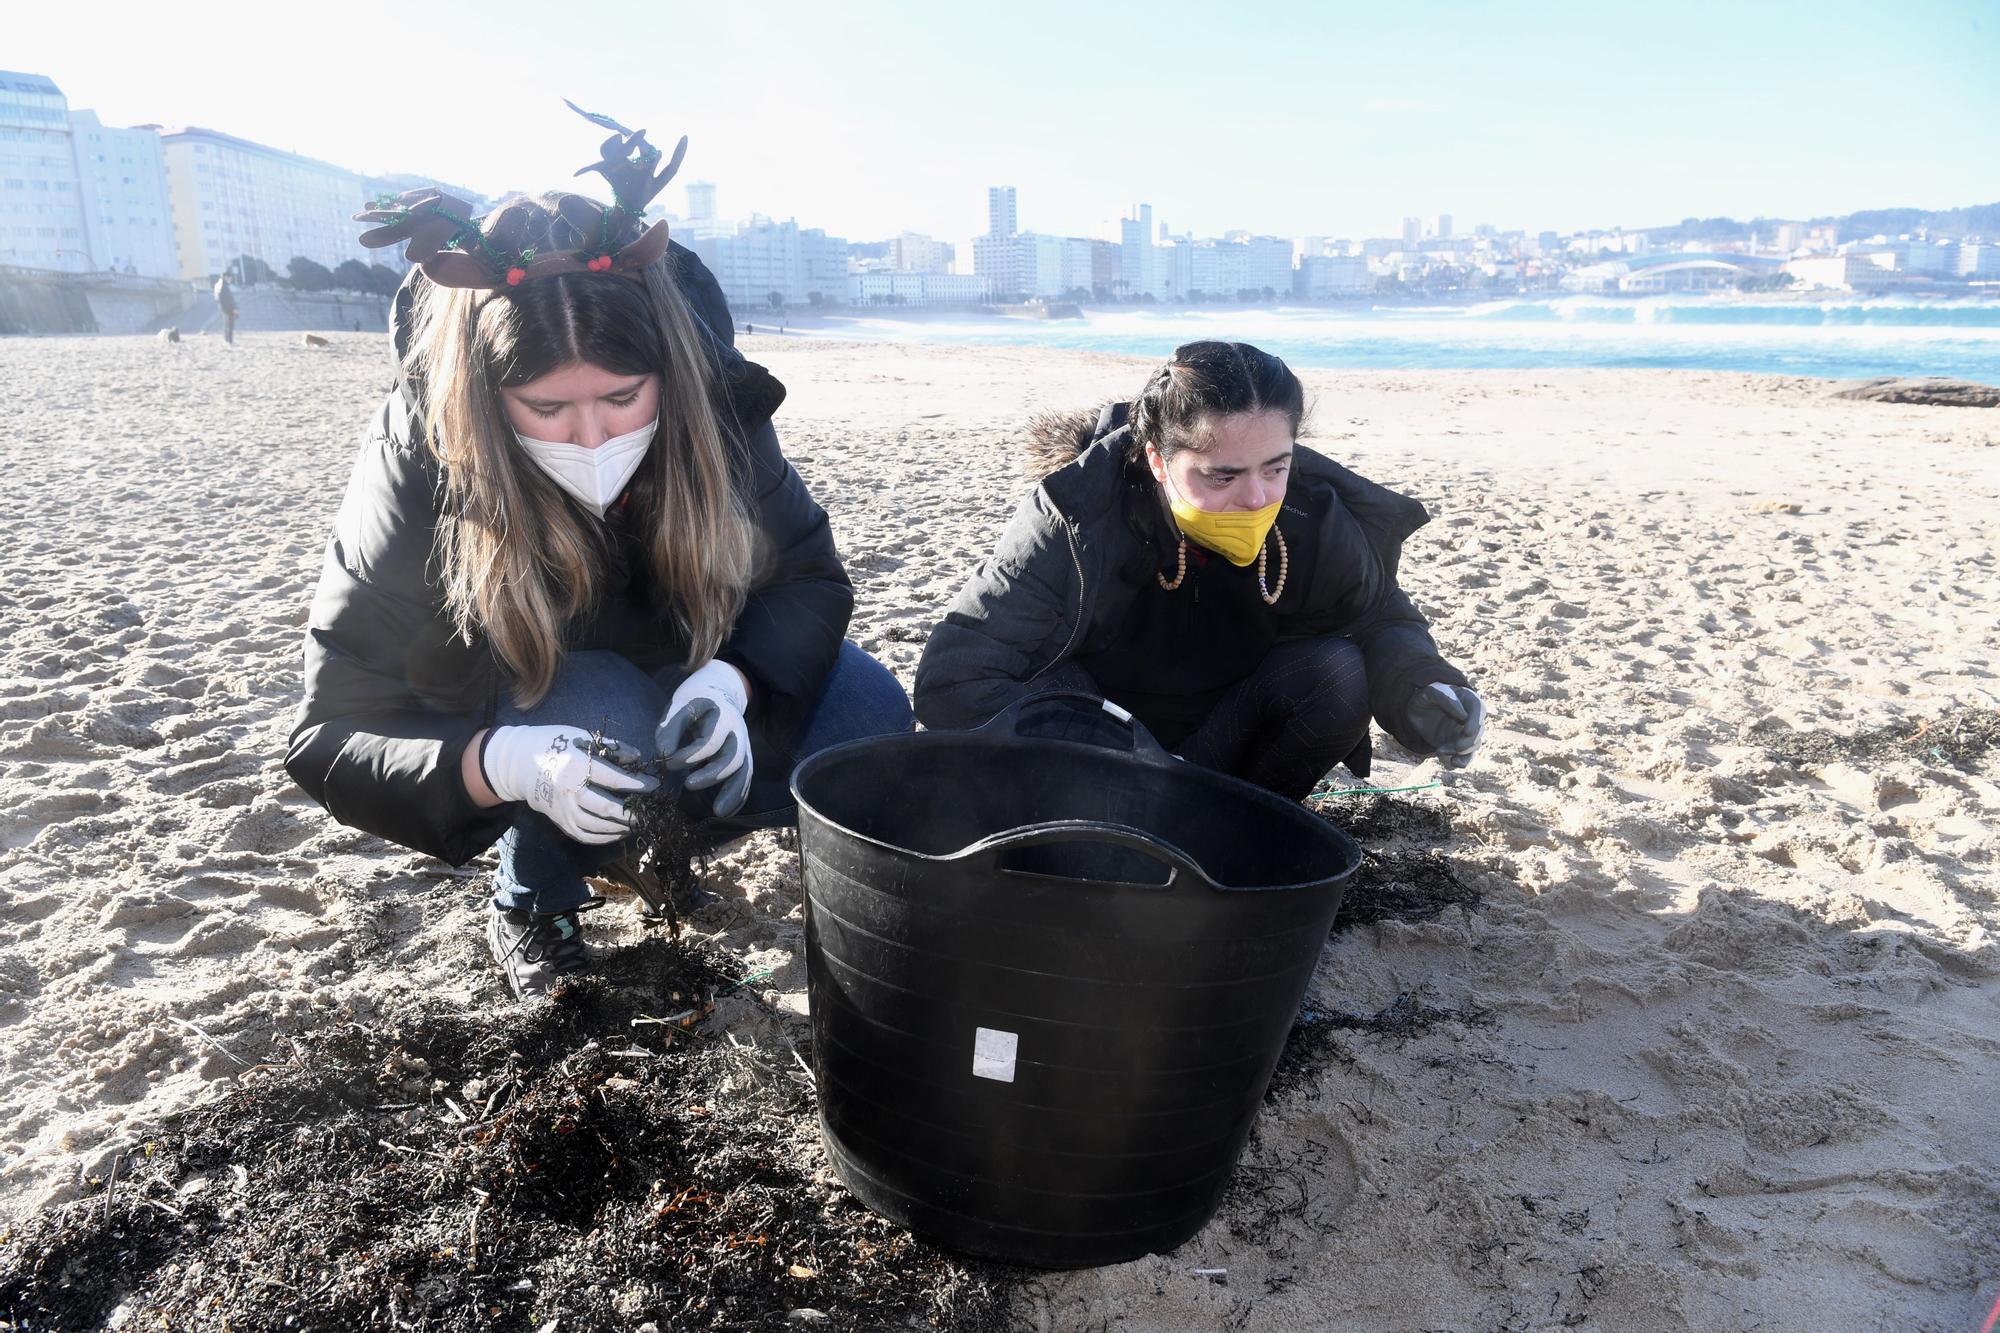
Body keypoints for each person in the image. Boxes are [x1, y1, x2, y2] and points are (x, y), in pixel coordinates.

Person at [287, 107, 911, 998]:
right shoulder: (420, 449)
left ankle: (674, 846)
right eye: (546, 410)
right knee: (605, 723)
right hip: (539, 687)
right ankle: (532, 901)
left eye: (622, 397)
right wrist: (499, 765)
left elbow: (809, 574)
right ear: (486, 395)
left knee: (867, 711)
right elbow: (332, 728)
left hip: (695, 659)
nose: (591, 438)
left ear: (667, 368)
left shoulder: (718, 401)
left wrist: (736, 683)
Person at [914, 340, 1483, 800]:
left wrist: (1419, 692)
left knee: (1336, 670)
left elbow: (1380, 619)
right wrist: (1112, 754)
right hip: (1100, 758)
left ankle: (1244, 827)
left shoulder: (1311, 515)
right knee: (1049, 686)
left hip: (1231, 747)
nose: (1257, 497)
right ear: (1159, 461)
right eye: (1223, 476)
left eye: (1276, 467)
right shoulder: (1078, 513)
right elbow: (955, 678)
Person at [213, 272, 238, 345]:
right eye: (230, 278)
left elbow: (219, 298)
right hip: (227, 309)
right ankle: (229, 341)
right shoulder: (222, 285)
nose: (230, 279)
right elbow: (227, 299)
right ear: (225, 277)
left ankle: (227, 340)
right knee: (229, 325)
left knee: (226, 325)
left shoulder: (219, 284)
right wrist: (233, 308)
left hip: (224, 308)